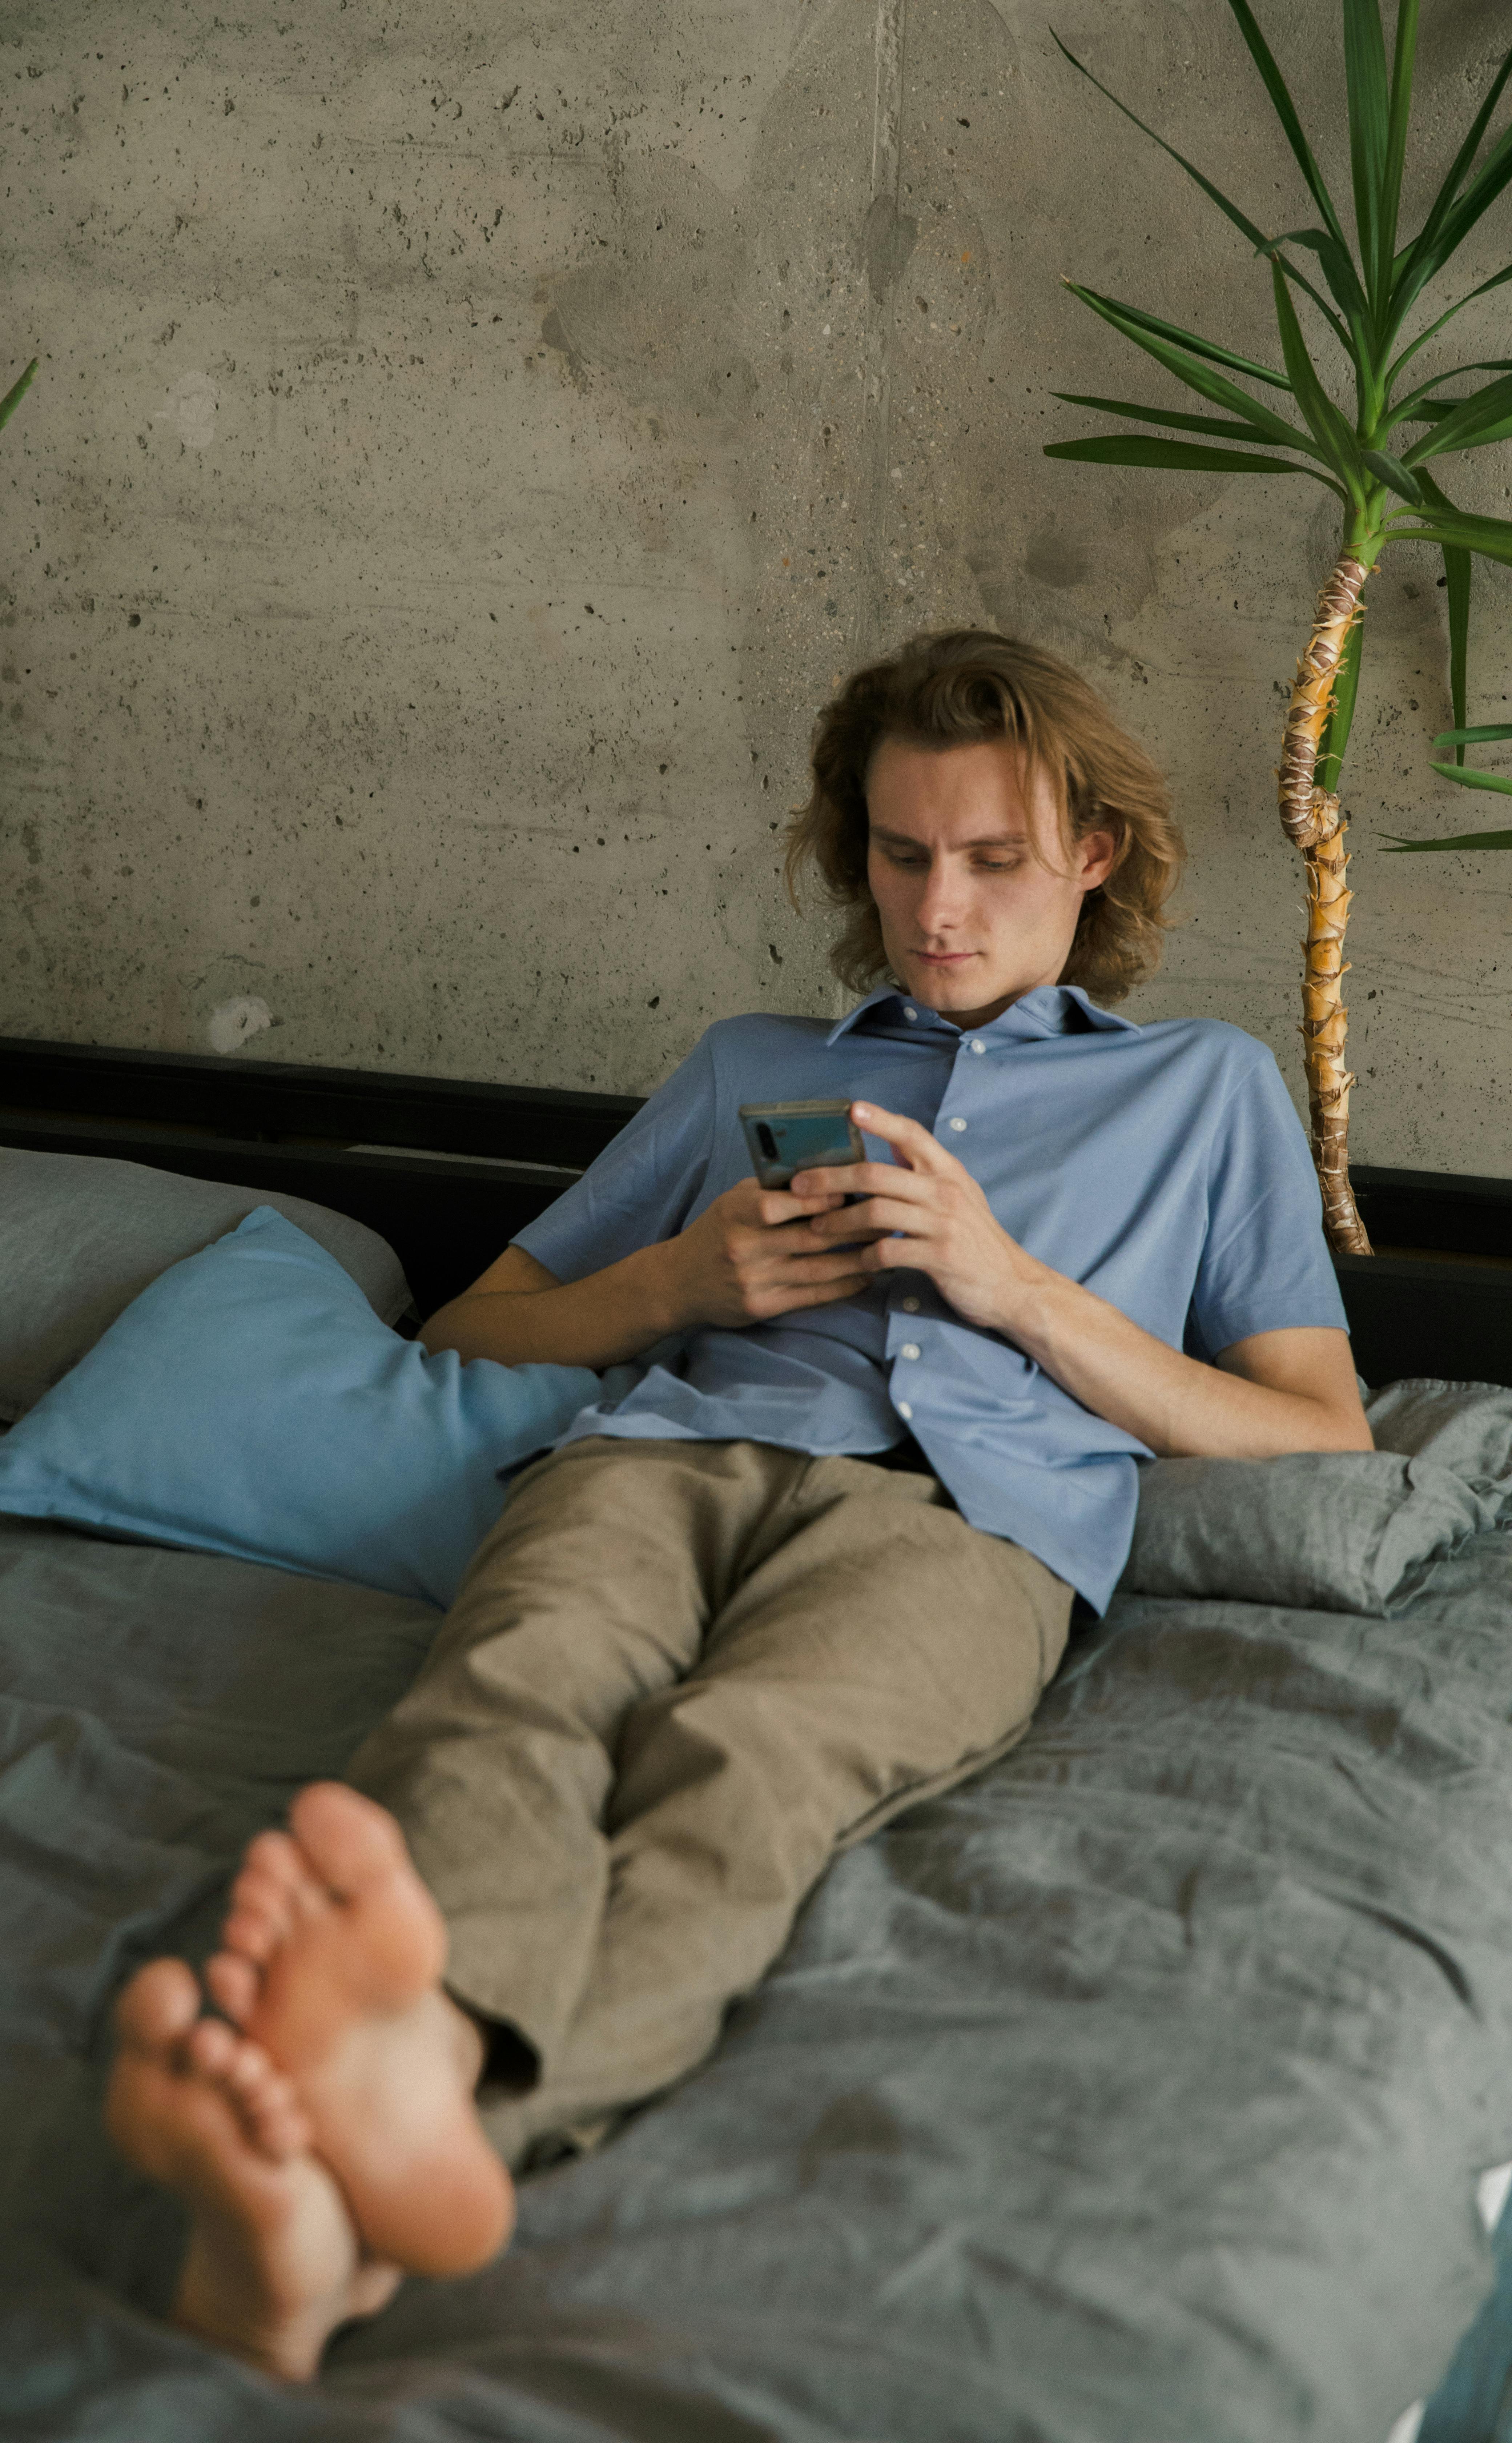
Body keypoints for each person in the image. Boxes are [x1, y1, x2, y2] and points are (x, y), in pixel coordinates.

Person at [104, 629, 1373, 2378]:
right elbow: (475, 1320)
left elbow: (1325, 1438)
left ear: (1091, 853)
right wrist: (684, 1283)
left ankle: (384, 2161)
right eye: (900, 853)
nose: (940, 909)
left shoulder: (1202, 1092)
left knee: (745, 1766)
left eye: (994, 861)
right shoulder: (744, 1068)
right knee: (511, 1697)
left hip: (960, 1525)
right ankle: (359, 2163)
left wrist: (1019, 1295)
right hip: (664, 1458)